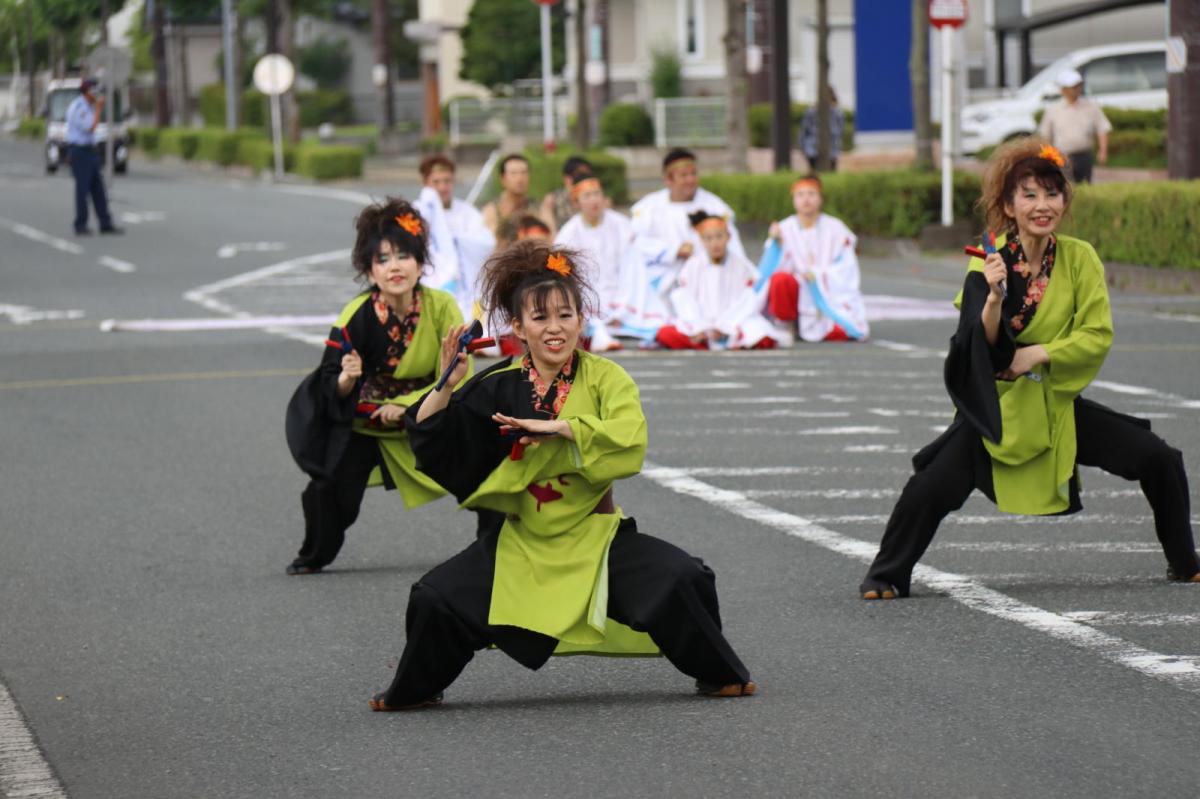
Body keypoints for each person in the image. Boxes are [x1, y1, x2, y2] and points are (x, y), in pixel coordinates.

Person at [368, 241, 756, 710]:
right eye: (540, 317)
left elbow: (630, 440)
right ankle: (415, 689)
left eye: (565, 315)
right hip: (522, 542)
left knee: (682, 577)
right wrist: (447, 385)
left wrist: (564, 429)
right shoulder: (497, 383)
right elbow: (433, 439)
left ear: (581, 319)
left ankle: (719, 675)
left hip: (595, 537)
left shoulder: (607, 377)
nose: (555, 328)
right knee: (435, 597)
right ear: (518, 327)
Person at [858, 138, 1200, 600]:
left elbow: (1096, 334)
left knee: (1158, 458)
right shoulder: (988, 261)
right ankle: (886, 575)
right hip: (997, 407)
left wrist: (1036, 354)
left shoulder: (1080, 257)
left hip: (1052, 403)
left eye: (1052, 194)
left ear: (1065, 200)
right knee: (932, 486)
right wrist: (994, 298)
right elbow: (976, 345)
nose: (1043, 206)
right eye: (1030, 195)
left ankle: (1185, 562)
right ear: (1008, 205)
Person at [284, 198, 496, 575]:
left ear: (421, 262)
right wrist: (347, 380)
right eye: (382, 259)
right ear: (370, 270)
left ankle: (496, 547)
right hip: (369, 423)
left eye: (403, 255)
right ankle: (313, 555)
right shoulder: (355, 316)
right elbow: (330, 383)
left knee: (484, 465)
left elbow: (458, 371)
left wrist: (409, 406)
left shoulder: (442, 306)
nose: (395, 266)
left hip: (427, 415)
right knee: (327, 488)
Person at [553, 173, 651, 350]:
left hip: (621, 291)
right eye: (587, 196)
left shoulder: (621, 224)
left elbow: (633, 267)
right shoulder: (569, 232)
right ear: (576, 202)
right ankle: (598, 332)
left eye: (597, 194)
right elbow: (560, 270)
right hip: (587, 294)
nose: (594, 200)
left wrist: (622, 304)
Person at [765, 175, 869, 342]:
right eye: (800, 195)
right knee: (780, 280)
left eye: (811, 194)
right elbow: (769, 268)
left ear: (820, 198)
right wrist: (777, 244)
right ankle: (787, 323)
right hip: (797, 285)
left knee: (841, 332)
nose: (806, 199)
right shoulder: (784, 228)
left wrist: (818, 274)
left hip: (825, 290)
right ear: (793, 200)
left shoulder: (835, 228)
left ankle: (820, 321)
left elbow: (846, 265)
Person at [656, 211, 780, 351]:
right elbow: (684, 299)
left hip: (734, 322)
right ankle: (705, 341)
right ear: (701, 241)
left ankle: (717, 342)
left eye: (719, 237)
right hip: (701, 324)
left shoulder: (741, 266)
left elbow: (748, 300)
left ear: (728, 237)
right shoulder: (692, 266)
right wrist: (699, 327)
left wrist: (725, 326)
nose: (715, 243)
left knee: (763, 338)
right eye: (708, 238)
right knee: (665, 334)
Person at [630, 148, 748, 281]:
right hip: (660, 281)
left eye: (694, 174)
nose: (691, 180)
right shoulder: (647, 208)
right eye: (684, 175)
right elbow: (636, 243)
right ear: (668, 180)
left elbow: (733, 246)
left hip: (706, 278)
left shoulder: (715, 207)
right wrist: (674, 250)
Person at [412, 154, 496, 323]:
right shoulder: (417, 213)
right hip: (430, 288)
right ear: (426, 183)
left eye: (447, 181)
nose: (442, 187)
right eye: (436, 182)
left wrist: (454, 240)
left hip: (467, 289)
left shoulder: (467, 213)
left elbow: (485, 244)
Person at [65, 79, 121, 236]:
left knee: (98, 188)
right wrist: (99, 109)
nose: (96, 94)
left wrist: (96, 108)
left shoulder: (88, 106)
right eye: (94, 91)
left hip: (90, 151)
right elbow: (91, 127)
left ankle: (105, 223)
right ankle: (80, 224)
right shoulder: (79, 107)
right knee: (82, 190)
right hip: (80, 152)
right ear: (86, 92)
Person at [1038, 68, 1111, 184]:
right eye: (1073, 87)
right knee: (1065, 186)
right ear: (1063, 90)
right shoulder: (1053, 110)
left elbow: (1102, 128)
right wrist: (1047, 157)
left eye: (1078, 86)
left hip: (1084, 155)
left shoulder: (1091, 106)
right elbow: (1045, 136)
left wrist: (1103, 151)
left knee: (1085, 186)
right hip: (1062, 156)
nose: (1076, 90)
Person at [481, 154, 543, 246]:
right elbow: (490, 244)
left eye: (524, 173)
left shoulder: (538, 209)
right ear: (503, 178)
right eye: (513, 173)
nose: (520, 178)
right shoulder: (491, 211)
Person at [540, 155, 594, 233]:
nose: (584, 180)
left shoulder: (596, 201)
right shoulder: (552, 200)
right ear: (567, 179)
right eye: (580, 175)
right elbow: (549, 233)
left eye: (588, 176)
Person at [798, 88, 845, 172]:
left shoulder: (837, 112)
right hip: (812, 148)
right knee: (815, 172)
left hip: (831, 148)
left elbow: (840, 130)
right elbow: (804, 130)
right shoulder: (811, 111)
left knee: (830, 172)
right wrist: (802, 146)